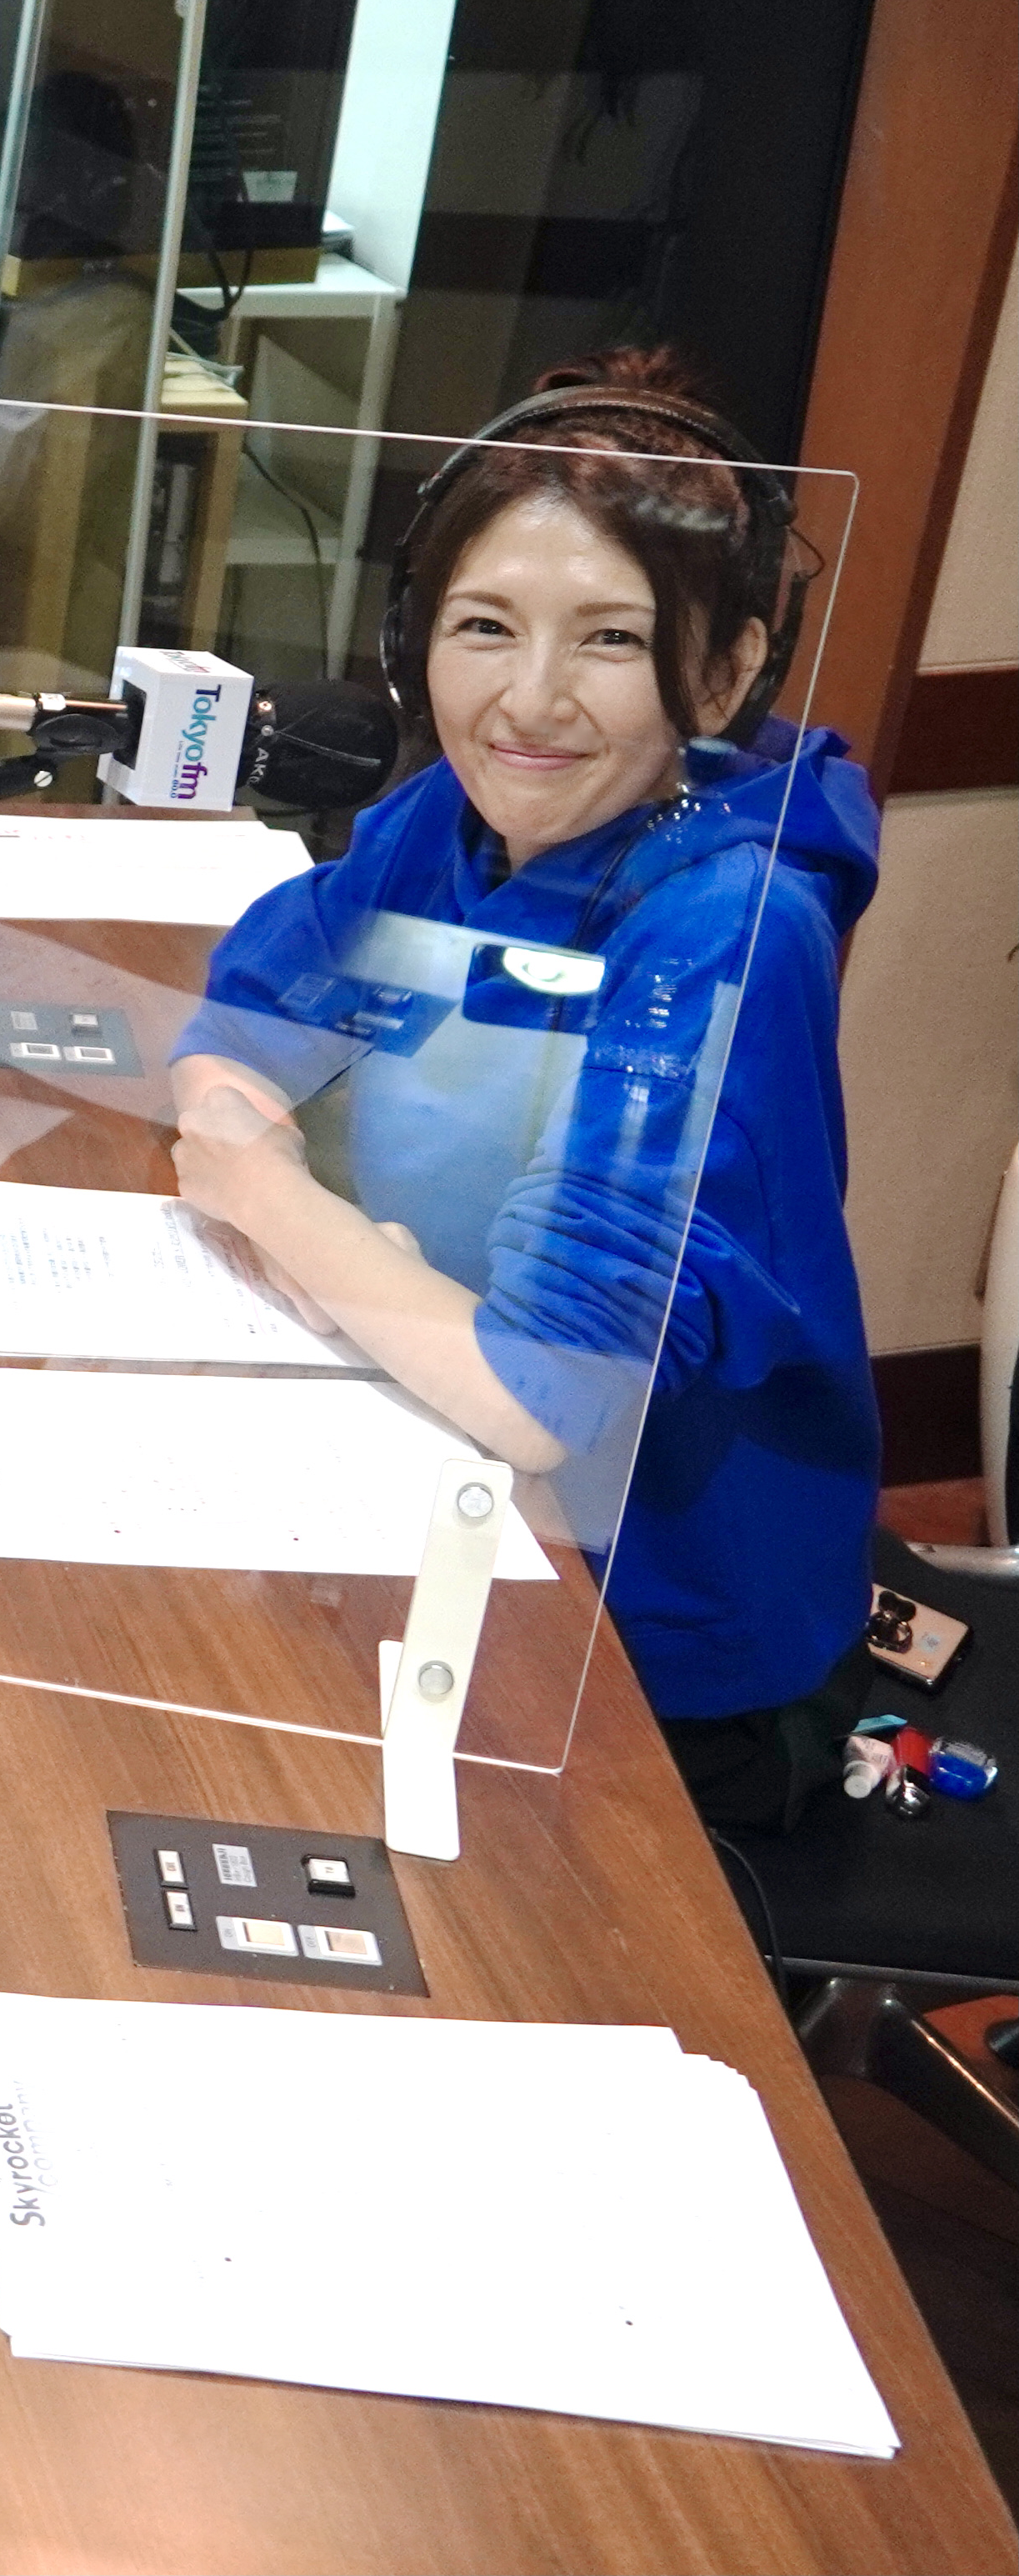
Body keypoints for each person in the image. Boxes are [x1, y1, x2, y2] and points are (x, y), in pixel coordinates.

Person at [162, 348, 874, 1831]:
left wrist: (275, 1206)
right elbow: (244, 1018)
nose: (528, 701)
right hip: (435, 1492)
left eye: (611, 639)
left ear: (728, 669)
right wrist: (270, 1168)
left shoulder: (730, 929)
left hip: (640, 1648)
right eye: (483, 626)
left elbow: (547, 1391)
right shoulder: (457, 814)